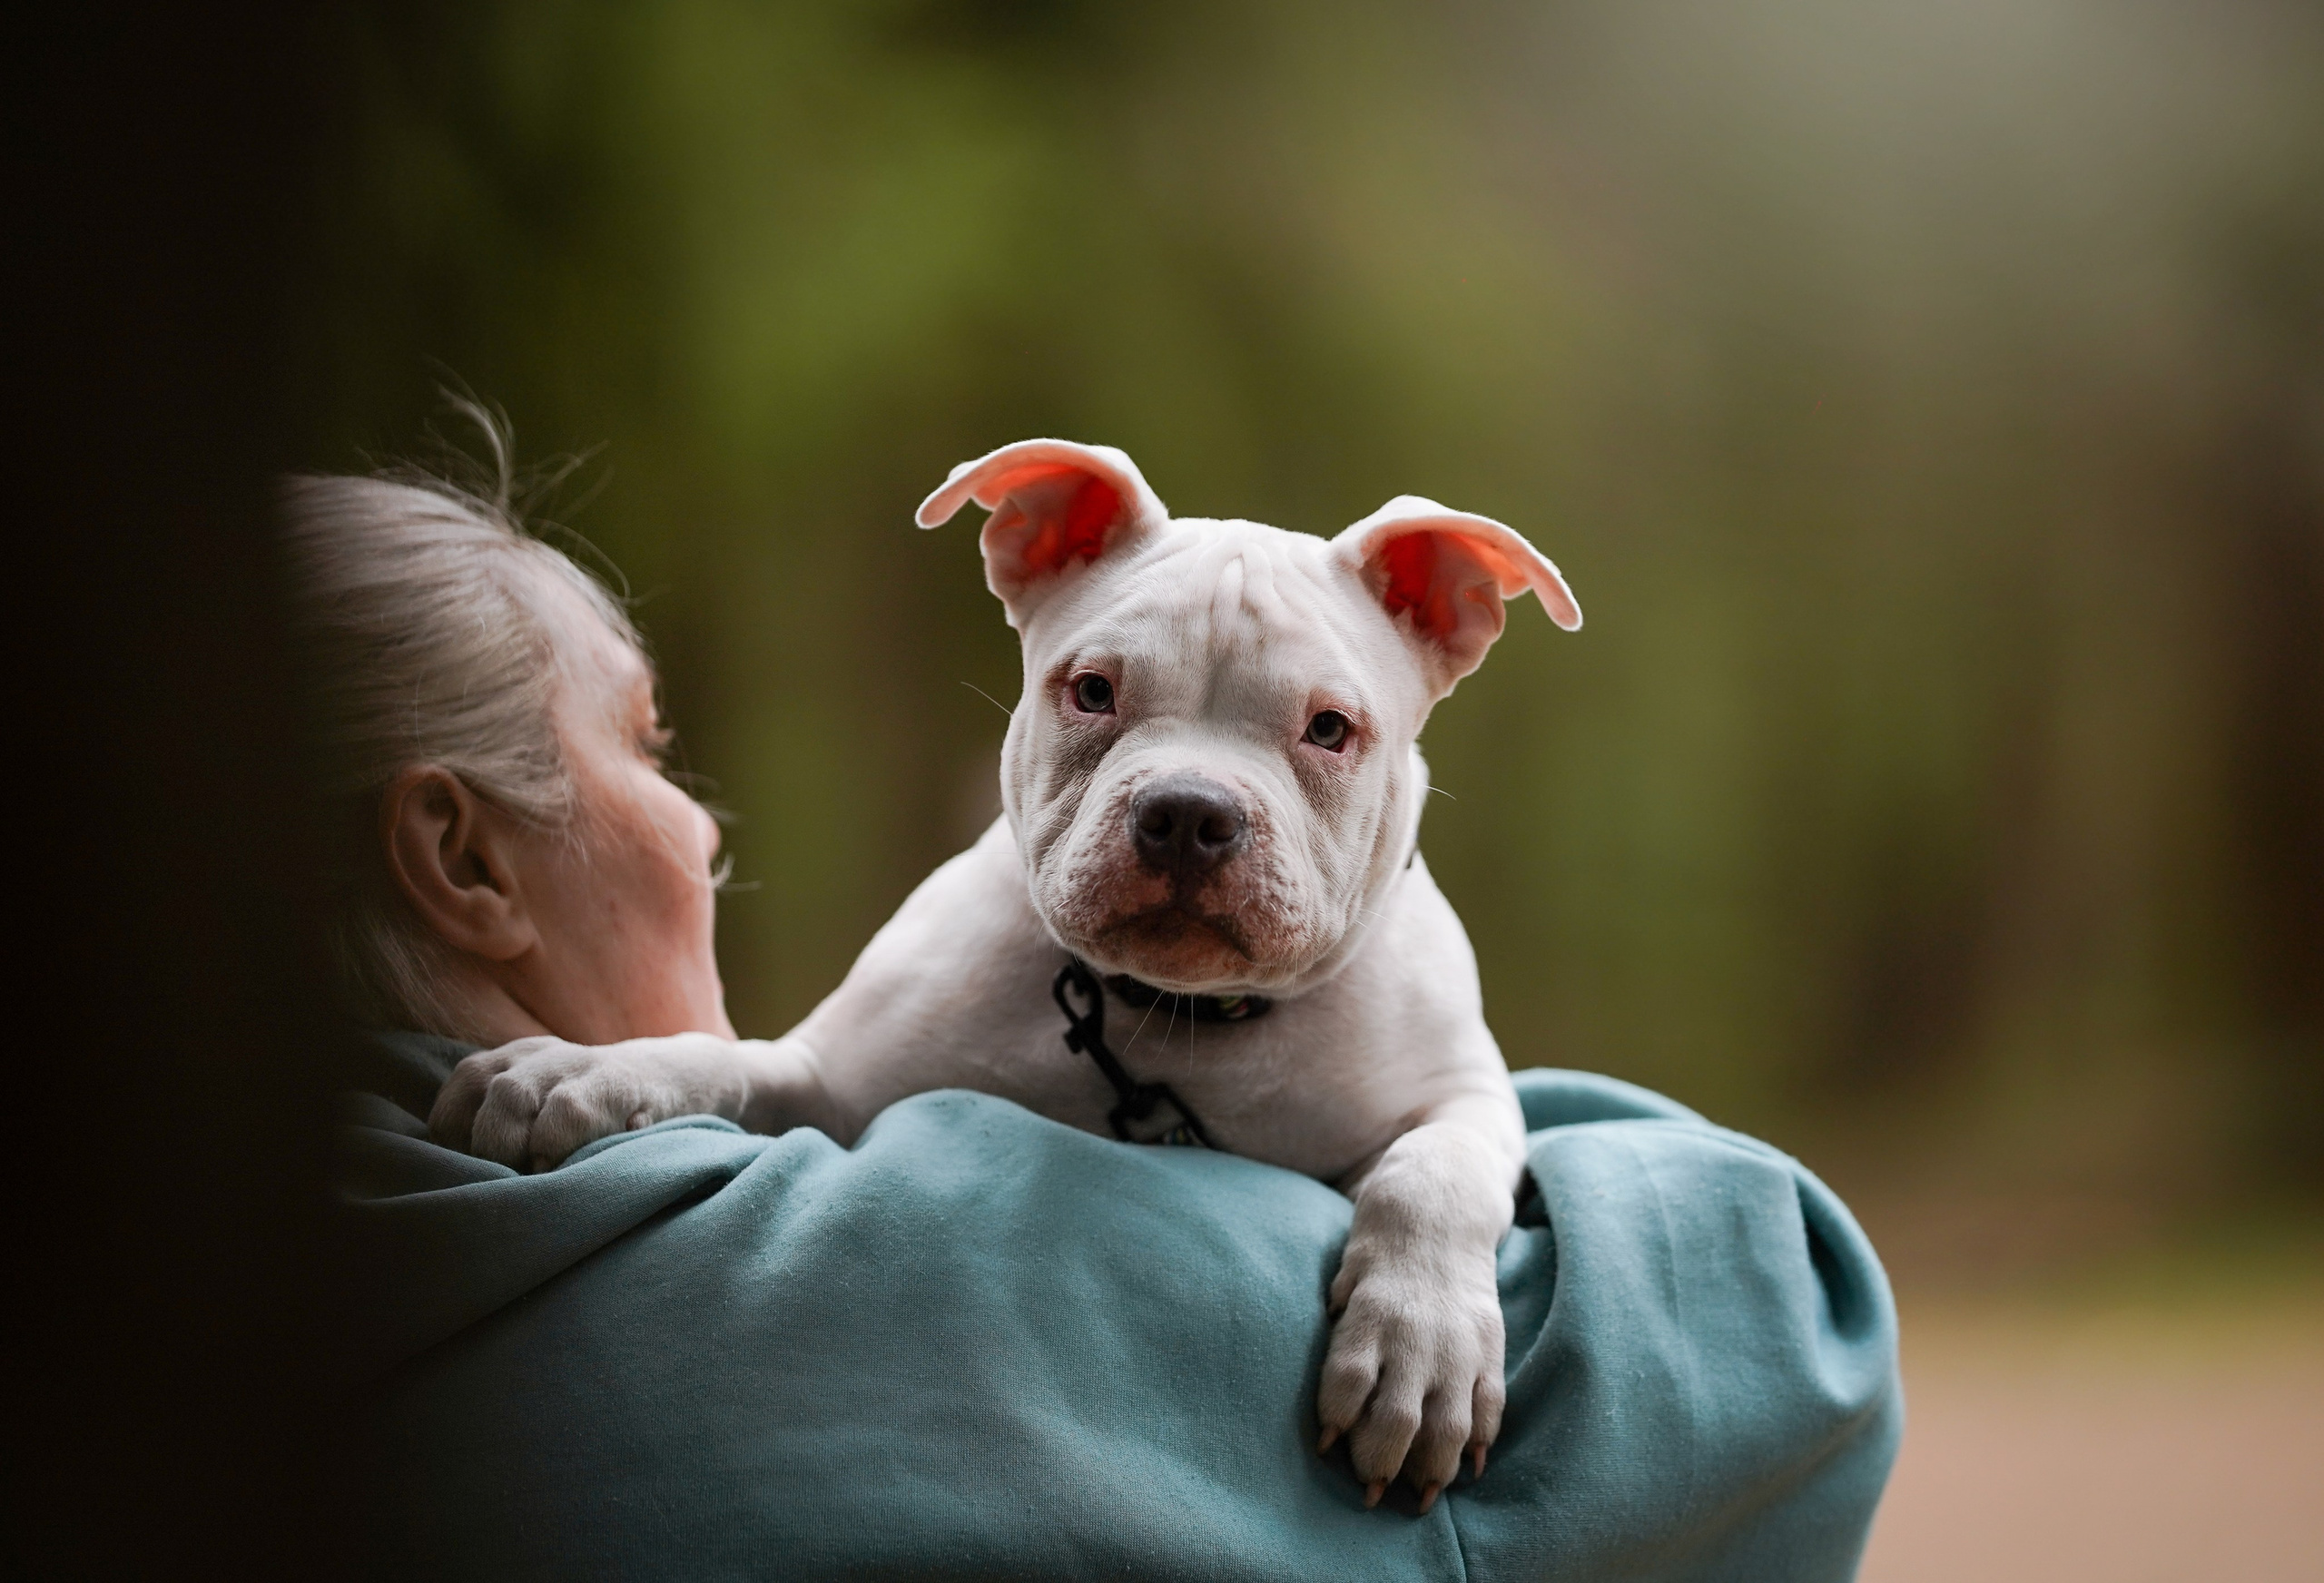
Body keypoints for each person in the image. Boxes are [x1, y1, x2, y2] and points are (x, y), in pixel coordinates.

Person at [295, 434, 1903, 1580]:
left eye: (1320, 735)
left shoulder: (288, 1265)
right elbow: (1780, 1322)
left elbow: (1458, 1105)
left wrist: (1432, 1212)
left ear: (1445, 630)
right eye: (1098, 699)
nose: (1194, 798)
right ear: (1028, 558)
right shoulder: (929, 1033)